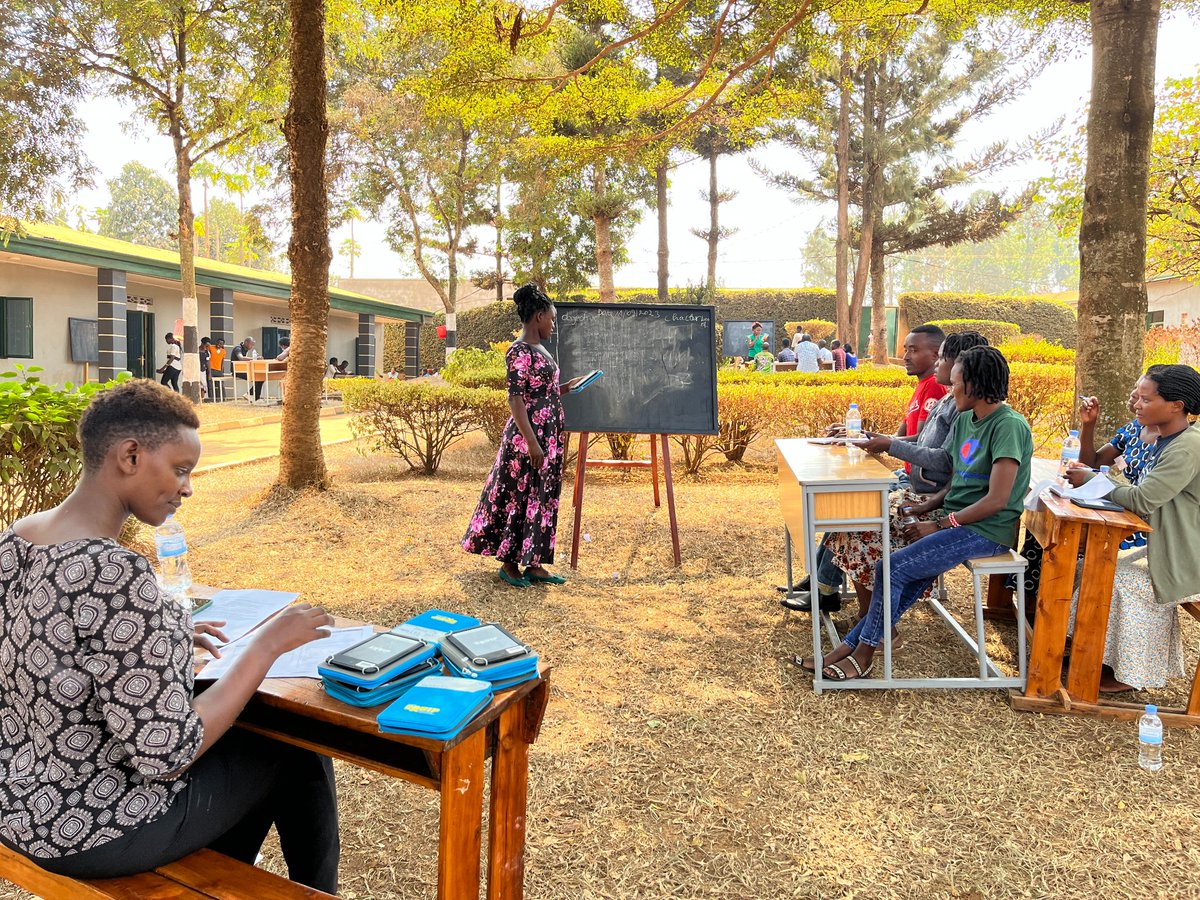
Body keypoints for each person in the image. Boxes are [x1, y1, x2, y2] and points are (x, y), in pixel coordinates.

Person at [0, 381, 339, 890]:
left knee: (244, 745)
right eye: (180, 470)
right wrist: (268, 645)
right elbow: (166, 754)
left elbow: (56, 648)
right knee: (295, 750)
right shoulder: (115, 572)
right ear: (130, 456)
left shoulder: (20, 537)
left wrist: (165, 635)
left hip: (21, 803)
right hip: (91, 830)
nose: (187, 488)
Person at [792, 346, 1033, 680]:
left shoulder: (1008, 426)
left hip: (986, 530)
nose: (952, 389)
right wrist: (928, 506)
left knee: (891, 569)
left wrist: (938, 525)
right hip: (955, 519)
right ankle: (851, 646)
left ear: (976, 384)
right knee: (905, 573)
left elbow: (997, 499)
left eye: (958, 382)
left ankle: (861, 654)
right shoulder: (965, 419)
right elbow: (959, 477)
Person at [822, 332, 991, 622]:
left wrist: (890, 445)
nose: (937, 364)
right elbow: (922, 442)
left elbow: (945, 460)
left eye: (942, 358)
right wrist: (877, 438)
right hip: (923, 494)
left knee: (859, 523)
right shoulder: (949, 400)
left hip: (931, 497)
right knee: (851, 515)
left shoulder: (965, 411)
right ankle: (846, 601)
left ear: (962, 366)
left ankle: (865, 616)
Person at [779, 325, 947, 612]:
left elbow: (919, 443)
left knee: (853, 510)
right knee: (846, 506)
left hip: (918, 486)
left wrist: (876, 441)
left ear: (936, 355)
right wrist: (858, 435)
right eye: (905, 349)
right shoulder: (922, 385)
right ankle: (820, 582)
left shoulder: (935, 387)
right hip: (908, 477)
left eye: (913, 350)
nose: (905, 355)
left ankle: (825, 588)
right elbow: (899, 437)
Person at [1063, 365, 1200, 692]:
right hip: (1162, 545)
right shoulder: (1166, 439)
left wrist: (1095, 480)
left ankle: (1131, 673)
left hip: (1186, 557)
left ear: (1176, 405)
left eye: (1146, 398)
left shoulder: (1187, 446)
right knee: (1087, 566)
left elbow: (1142, 499)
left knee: (1122, 579)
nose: (1137, 404)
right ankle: (1094, 652)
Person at [463, 284, 582, 588]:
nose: (553, 325)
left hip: (550, 435)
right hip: (527, 437)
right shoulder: (518, 351)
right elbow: (516, 398)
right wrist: (532, 441)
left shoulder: (541, 349)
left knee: (542, 497)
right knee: (519, 495)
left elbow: (540, 391)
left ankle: (535, 563)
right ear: (539, 316)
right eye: (552, 319)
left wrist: (566, 387)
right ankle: (509, 562)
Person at [231, 337, 264, 402]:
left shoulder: (245, 349)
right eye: (251, 344)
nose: (252, 347)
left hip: (244, 370)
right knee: (258, 378)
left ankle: (251, 395)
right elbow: (241, 358)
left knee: (261, 377)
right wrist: (254, 358)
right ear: (246, 342)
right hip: (237, 371)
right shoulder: (238, 348)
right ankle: (254, 397)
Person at [199, 336, 212, 401]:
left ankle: (202, 399)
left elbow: (208, 362)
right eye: (206, 346)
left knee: (203, 385)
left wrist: (209, 373)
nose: (207, 348)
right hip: (196, 370)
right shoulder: (196, 351)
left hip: (203, 370)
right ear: (202, 344)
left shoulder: (207, 352)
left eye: (208, 346)